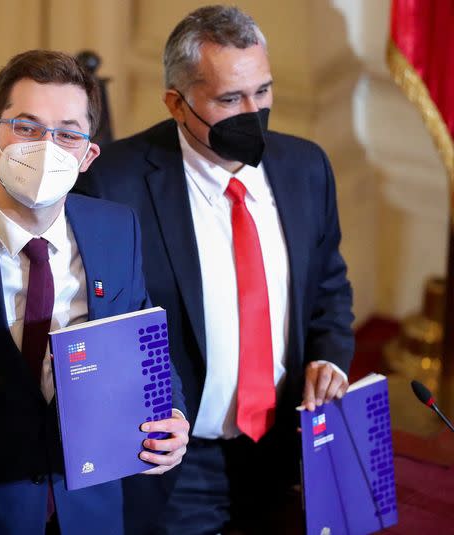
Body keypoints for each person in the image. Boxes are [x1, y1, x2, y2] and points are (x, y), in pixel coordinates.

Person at [78, 5, 355, 534]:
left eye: (263, 91)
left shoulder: (307, 168)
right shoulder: (115, 186)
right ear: (176, 104)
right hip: (177, 462)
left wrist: (330, 359)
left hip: (284, 447)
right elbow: (96, 330)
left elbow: (329, 287)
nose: (254, 112)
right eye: (231, 99)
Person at [0, 50, 190, 535]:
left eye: (67, 134)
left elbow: (139, 334)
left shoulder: (116, 227)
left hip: (91, 502)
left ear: (87, 155)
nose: (46, 147)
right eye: (26, 128)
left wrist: (169, 411)